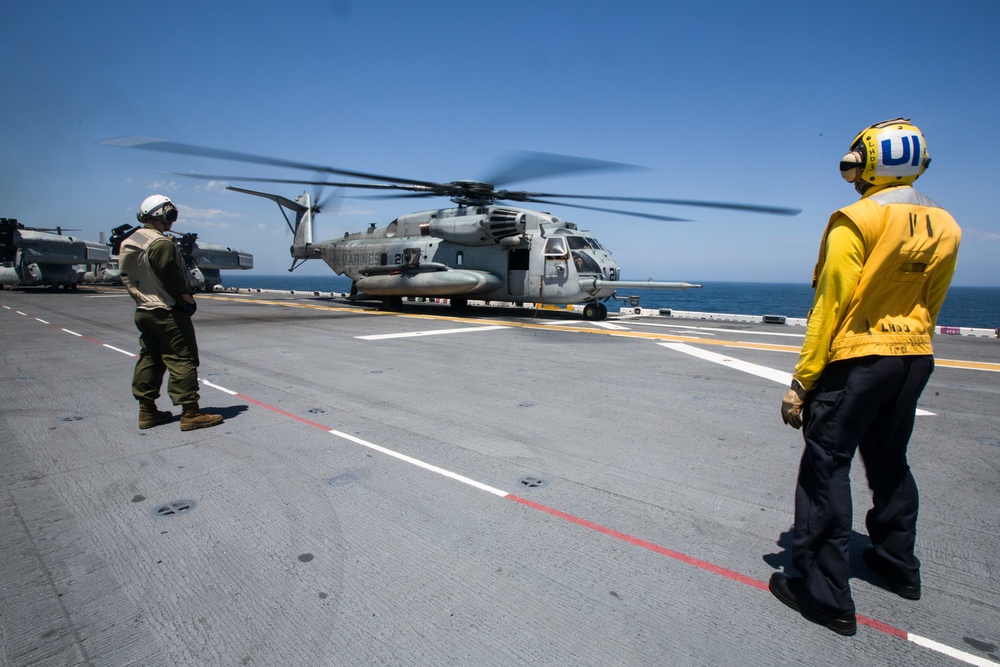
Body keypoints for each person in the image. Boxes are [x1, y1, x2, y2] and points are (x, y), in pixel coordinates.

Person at [770, 119, 961, 635]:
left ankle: (823, 592)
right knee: (889, 459)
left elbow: (829, 306)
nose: (851, 176)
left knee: (826, 467)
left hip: (857, 362)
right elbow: (932, 302)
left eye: (857, 165)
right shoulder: (947, 224)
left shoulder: (855, 220)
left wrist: (802, 382)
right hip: (914, 358)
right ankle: (898, 565)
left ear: (875, 164)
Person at [119, 195, 224, 431]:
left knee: (151, 359)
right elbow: (170, 275)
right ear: (163, 215)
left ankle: (147, 411)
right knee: (183, 359)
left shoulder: (131, 241)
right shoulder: (161, 243)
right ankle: (191, 413)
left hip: (143, 310)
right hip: (167, 310)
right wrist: (184, 297)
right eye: (171, 216)